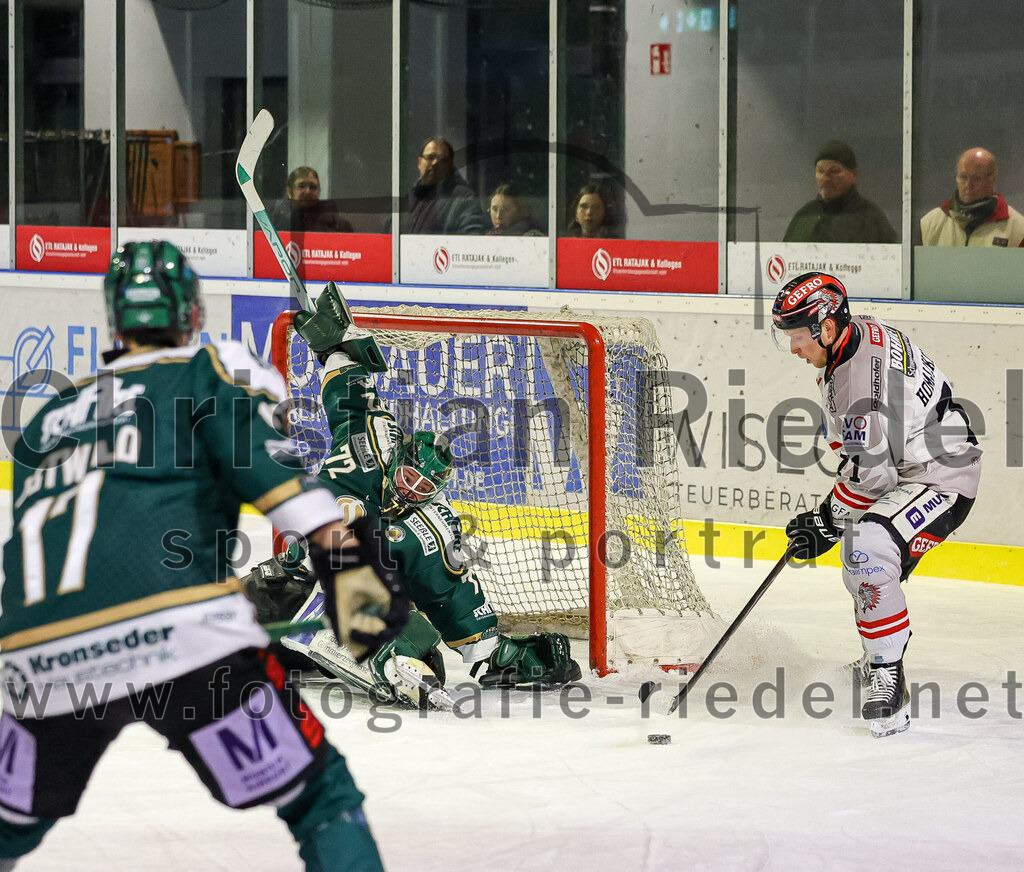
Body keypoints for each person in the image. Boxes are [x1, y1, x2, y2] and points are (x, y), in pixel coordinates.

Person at [0, 242, 408, 871]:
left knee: (7, 826)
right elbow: (277, 477)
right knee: (319, 797)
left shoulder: (48, 414)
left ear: (115, 321)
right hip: (184, 643)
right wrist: (344, 560)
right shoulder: (208, 369)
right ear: (191, 312)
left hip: (38, 657)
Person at [246, 281, 582, 703]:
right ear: (399, 457)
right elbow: (354, 400)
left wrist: (494, 653)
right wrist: (334, 350)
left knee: (419, 648)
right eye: (408, 478)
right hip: (293, 588)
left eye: (422, 489)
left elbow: (451, 594)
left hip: (367, 606)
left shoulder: (435, 527)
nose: (409, 491)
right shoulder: (370, 441)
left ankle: (383, 660)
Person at [772, 272, 981, 738]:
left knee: (865, 548)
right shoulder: (857, 333)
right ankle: (879, 653)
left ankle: (889, 676)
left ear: (827, 328)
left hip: (942, 479)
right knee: (862, 557)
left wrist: (825, 522)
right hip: (918, 466)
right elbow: (870, 462)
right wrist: (829, 518)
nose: (793, 347)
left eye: (798, 335)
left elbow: (872, 479)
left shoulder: (857, 385)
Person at [783, 140, 897, 243]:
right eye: (820, 171)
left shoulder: (871, 219)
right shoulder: (804, 216)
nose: (825, 178)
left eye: (834, 171)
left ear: (854, 174)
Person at [920, 147, 1024, 247]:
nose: (968, 185)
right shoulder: (929, 223)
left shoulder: (1018, 230)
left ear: (992, 179)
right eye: (963, 177)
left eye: (976, 178)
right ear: (956, 177)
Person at [400, 137, 486, 235]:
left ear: (450, 164)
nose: (435, 163)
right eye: (430, 157)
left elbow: (472, 239)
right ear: (419, 162)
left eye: (442, 159)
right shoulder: (411, 198)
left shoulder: (464, 199)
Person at [268, 166, 354, 234]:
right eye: (301, 186)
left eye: (313, 187)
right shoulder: (272, 222)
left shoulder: (337, 225)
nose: (308, 191)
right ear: (289, 191)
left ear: (319, 191)